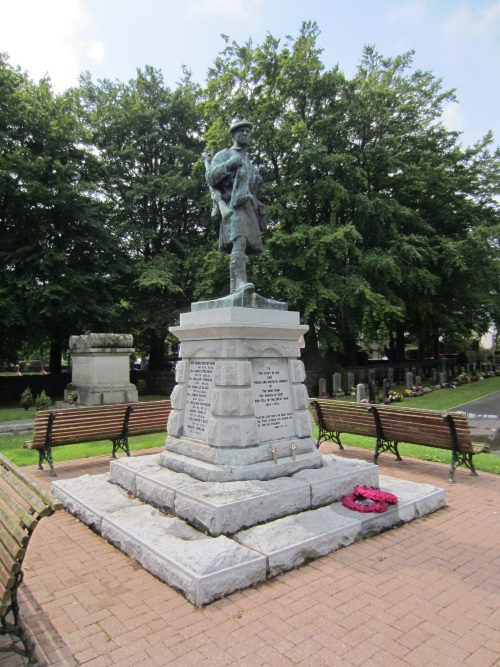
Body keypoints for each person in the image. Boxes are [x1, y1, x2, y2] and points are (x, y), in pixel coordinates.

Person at [204, 121, 268, 293]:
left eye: (248, 131)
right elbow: (210, 177)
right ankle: (240, 282)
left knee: (244, 244)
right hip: (233, 206)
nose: (246, 134)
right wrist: (229, 164)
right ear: (233, 135)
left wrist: (260, 177)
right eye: (241, 131)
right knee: (239, 240)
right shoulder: (224, 155)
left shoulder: (249, 161)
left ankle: (235, 288)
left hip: (248, 207)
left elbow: (255, 190)